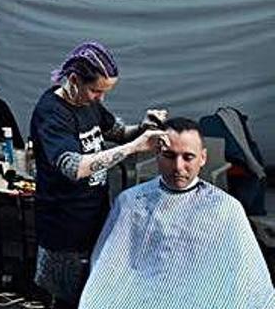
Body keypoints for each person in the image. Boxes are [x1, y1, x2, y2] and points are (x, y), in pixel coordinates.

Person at [80, 117, 275, 309]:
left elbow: (246, 276)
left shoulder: (226, 208)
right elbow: (107, 268)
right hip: (140, 293)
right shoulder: (131, 202)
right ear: (158, 154)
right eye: (170, 156)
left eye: (188, 157)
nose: (178, 167)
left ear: (203, 158)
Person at [31, 41, 167, 309]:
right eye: (96, 90)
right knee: (69, 300)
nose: (100, 98)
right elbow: (74, 167)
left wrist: (143, 127)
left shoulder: (88, 102)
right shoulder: (51, 112)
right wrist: (134, 148)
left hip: (94, 218)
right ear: (73, 80)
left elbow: (118, 132)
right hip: (65, 229)